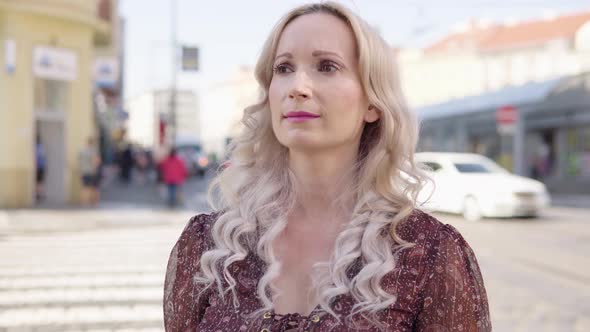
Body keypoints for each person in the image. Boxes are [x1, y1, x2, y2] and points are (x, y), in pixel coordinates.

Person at [164, 3, 491, 331]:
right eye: (284, 68)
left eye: (326, 67)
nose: (297, 87)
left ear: (373, 103)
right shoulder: (210, 246)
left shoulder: (429, 253)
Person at [79, 137, 101, 206]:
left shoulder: (82, 151)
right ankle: (94, 203)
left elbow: (79, 161)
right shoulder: (93, 151)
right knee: (94, 188)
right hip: (92, 172)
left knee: (84, 188)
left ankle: (84, 202)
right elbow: (96, 162)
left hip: (84, 171)